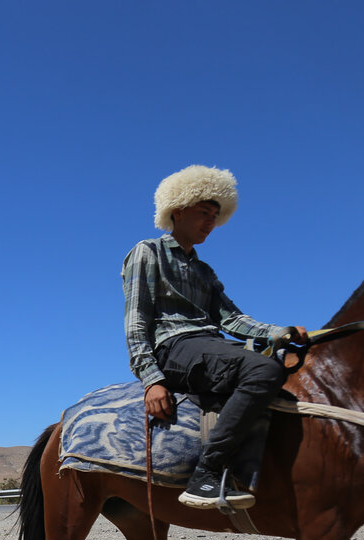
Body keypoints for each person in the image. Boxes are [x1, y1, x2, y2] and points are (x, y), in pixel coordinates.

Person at [122, 165, 307, 510]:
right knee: (264, 372)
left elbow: (232, 318)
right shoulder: (148, 252)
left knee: (288, 365)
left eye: (215, 216)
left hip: (211, 346)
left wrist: (279, 333)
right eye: (203, 213)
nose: (210, 223)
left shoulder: (205, 271)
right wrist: (151, 379)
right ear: (177, 211)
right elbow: (136, 320)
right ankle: (206, 473)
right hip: (174, 347)